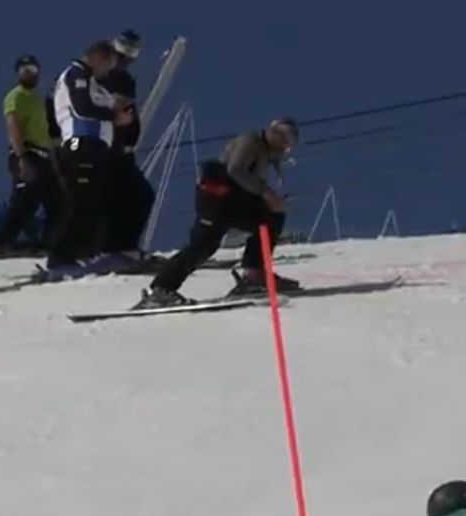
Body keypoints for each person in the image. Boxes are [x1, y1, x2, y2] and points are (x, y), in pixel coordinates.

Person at [132, 117, 300, 309]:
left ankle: (254, 275)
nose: (284, 149)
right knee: (205, 244)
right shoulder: (252, 141)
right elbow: (235, 170)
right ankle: (161, 290)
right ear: (276, 134)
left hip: (228, 199)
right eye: (285, 142)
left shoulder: (265, 152)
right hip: (220, 196)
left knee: (267, 219)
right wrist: (267, 194)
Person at [47, 40, 132, 275]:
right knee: (80, 200)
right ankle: (61, 257)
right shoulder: (77, 74)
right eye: (107, 66)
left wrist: (120, 110)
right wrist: (113, 116)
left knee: (96, 200)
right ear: (99, 58)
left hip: (95, 146)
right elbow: (82, 107)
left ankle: (87, 251)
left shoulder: (94, 83)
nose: (106, 72)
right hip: (78, 142)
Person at [0, 54, 63, 252]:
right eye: (24, 71)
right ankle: (1, 241)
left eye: (33, 70)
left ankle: (48, 243)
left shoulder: (37, 101)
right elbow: (14, 126)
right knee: (25, 201)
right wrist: (21, 157)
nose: (29, 74)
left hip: (44, 156)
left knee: (57, 202)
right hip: (28, 153)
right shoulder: (16, 96)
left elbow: (45, 133)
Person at [99, 30, 156, 259]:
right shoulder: (103, 76)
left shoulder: (122, 79)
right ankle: (112, 248)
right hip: (105, 150)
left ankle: (121, 247)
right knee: (121, 197)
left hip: (120, 150)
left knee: (136, 196)